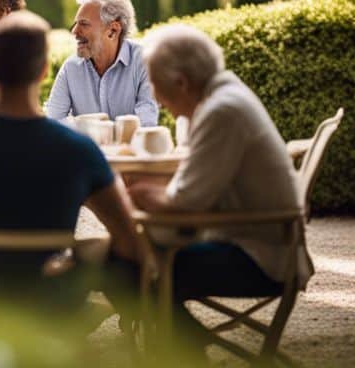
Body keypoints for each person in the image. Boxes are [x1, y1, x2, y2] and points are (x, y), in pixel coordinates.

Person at [0, 11, 141, 308]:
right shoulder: (79, 150)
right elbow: (127, 236)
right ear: (45, 70)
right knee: (105, 247)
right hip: (50, 302)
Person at [126, 23, 314, 347]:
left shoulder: (221, 111)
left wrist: (136, 195)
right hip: (256, 240)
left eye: (155, 85)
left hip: (260, 258)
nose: (156, 97)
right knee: (137, 260)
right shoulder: (224, 96)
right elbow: (198, 184)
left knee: (135, 269)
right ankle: (188, 347)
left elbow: (186, 200)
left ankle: (189, 352)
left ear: (181, 83)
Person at [45, 0, 158, 125]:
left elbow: (146, 123)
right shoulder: (71, 67)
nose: (74, 31)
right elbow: (53, 122)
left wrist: (83, 126)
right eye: (75, 24)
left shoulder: (145, 61)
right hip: (86, 147)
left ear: (113, 31)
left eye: (84, 24)